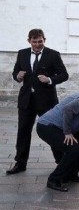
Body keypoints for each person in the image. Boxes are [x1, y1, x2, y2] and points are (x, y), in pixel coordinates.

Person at [6, 29, 69, 175]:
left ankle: (61, 161)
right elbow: (16, 72)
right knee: (23, 132)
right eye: (34, 42)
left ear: (44, 40)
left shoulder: (53, 54)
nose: (37, 44)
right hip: (26, 100)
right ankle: (20, 163)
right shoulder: (22, 53)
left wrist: (50, 80)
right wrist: (18, 76)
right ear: (29, 41)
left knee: (52, 130)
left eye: (40, 41)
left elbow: (64, 75)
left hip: (47, 101)